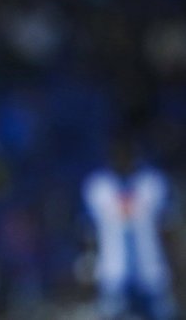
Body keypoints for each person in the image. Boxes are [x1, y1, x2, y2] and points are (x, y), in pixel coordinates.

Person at [82, 135, 177, 320]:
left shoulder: (152, 183)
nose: (122, 159)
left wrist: (174, 267)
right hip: (112, 271)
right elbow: (88, 232)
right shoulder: (98, 187)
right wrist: (88, 267)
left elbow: (168, 228)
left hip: (151, 269)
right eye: (117, 154)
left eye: (127, 154)